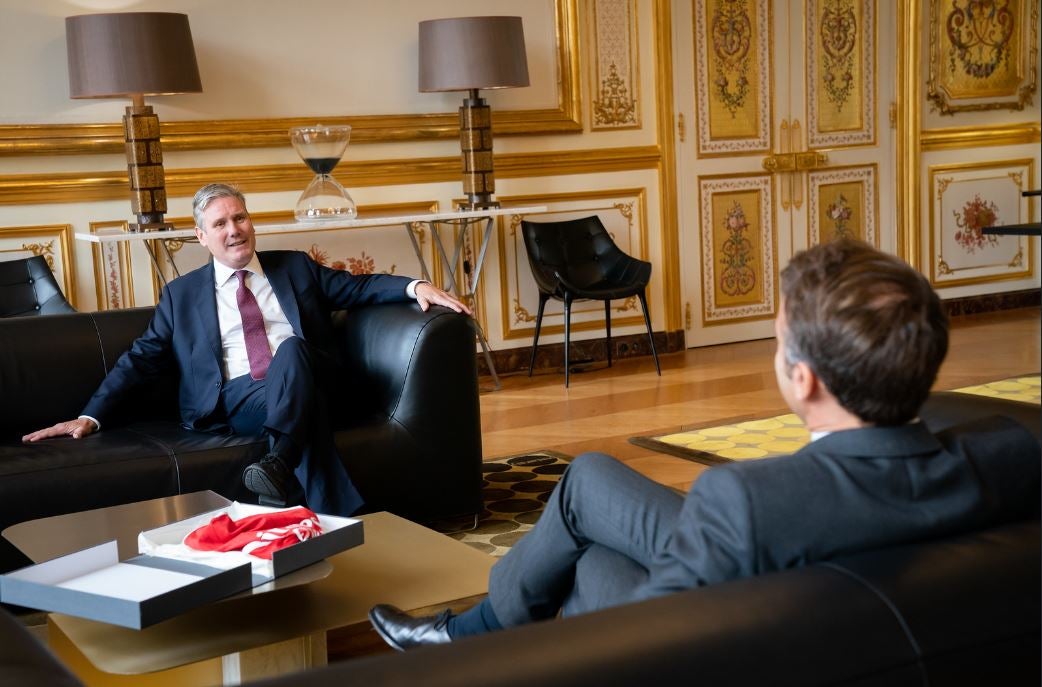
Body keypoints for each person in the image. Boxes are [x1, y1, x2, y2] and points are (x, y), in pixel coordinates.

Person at [368, 238, 1040, 650]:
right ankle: (474, 630)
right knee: (589, 480)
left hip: (764, 621)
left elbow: (662, 645)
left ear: (801, 378)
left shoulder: (743, 499)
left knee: (581, 566)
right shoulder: (1010, 454)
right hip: (819, 545)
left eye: (779, 342)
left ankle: (471, 642)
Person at [23, 183, 471, 517]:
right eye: (220, 224)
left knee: (292, 350)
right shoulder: (181, 295)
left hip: (314, 377)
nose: (234, 230)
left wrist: (416, 285)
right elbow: (142, 357)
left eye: (240, 218)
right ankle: (318, 499)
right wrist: (90, 415)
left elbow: (358, 286)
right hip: (240, 398)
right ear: (202, 236)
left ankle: (281, 465)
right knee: (299, 402)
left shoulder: (294, 266)